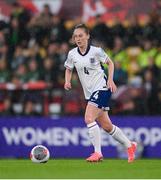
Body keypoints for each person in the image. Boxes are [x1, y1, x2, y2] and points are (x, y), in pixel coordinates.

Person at [64, 24, 137, 163]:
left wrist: (110, 80)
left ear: (87, 36)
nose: (78, 39)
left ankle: (97, 153)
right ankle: (130, 145)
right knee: (107, 126)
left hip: (102, 88)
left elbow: (110, 63)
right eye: (75, 36)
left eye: (80, 36)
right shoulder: (72, 54)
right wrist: (67, 81)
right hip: (90, 93)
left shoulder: (96, 51)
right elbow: (68, 68)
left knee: (89, 118)